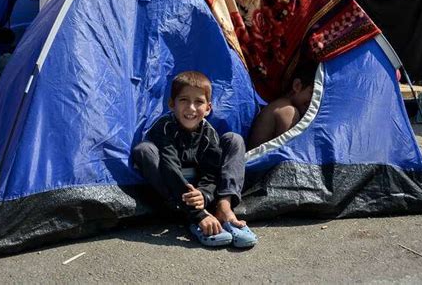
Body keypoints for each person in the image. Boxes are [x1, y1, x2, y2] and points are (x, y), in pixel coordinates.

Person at [133, 71, 257, 248]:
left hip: (200, 192)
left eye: (198, 102)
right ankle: (194, 218)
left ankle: (224, 207)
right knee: (144, 150)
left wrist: (205, 195)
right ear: (171, 104)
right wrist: (198, 213)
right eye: (184, 100)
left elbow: (211, 172)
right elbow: (170, 167)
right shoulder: (164, 128)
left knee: (234, 139)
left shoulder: (209, 133)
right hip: (173, 192)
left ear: (208, 108)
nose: (191, 108)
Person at [248, 61, 317, 150]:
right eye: (312, 93)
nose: (313, 102)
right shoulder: (289, 110)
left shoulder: (277, 104)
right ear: (297, 86)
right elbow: (286, 154)